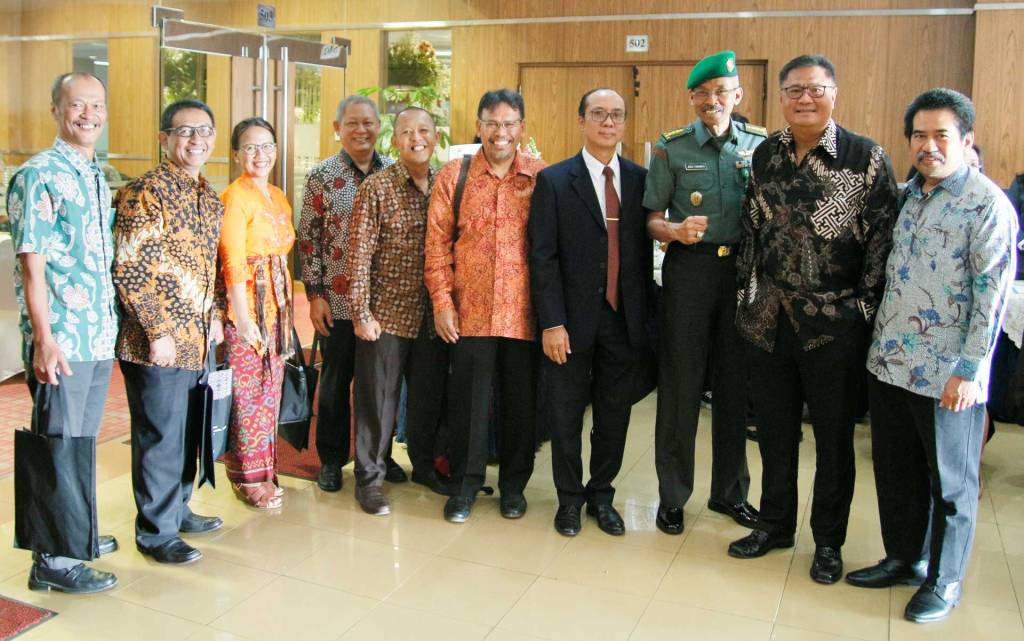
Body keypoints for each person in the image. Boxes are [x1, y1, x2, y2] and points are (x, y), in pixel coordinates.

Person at [848, 89, 1017, 623]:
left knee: (951, 486)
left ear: (966, 140)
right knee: (896, 472)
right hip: (891, 363)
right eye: (919, 136)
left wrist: (969, 371)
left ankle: (945, 581)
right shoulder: (907, 196)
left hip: (947, 375)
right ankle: (904, 558)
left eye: (941, 135)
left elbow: (991, 297)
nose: (929, 146)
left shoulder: (987, 204)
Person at [729, 55, 899, 585]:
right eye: (795, 89)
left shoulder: (866, 158)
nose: (805, 98)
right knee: (774, 433)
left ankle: (828, 541)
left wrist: (861, 311)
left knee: (833, 440)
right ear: (781, 96)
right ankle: (775, 524)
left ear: (834, 93)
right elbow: (752, 229)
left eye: (816, 89)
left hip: (834, 326)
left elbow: (883, 243)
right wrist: (746, 298)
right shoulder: (765, 154)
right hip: (770, 320)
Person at [643, 50, 766, 535]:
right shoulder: (671, 148)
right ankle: (673, 495)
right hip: (689, 273)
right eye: (702, 93)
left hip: (740, 273)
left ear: (737, 95)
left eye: (721, 92)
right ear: (692, 98)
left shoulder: (760, 146)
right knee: (681, 386)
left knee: (735, 387)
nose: (711, 100)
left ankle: (730, 492)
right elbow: (651, 219)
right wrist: (674, 231)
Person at [8, 72, 119, 593]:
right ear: (56, 109)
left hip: (98, 333)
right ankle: (51, 561)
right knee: (57, 442)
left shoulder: (95, 173)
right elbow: (32, 266)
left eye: (96, 105)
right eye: (78, 105)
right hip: (63, 339)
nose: (88, 115)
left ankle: (76, 531)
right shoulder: (39, 174)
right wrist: (44, 339)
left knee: (80, 441)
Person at [528, 88, 651, 537]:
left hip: (623, 320)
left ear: (624, 123)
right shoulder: (555, 180)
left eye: (616, 115)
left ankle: (601, 495)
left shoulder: (639, 180)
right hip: (570, 322)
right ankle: (569, 500)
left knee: (614, 416)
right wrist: (551, 322)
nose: (608, 122)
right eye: (598, 114)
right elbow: (542, 257)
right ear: (582, 120)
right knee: (565, 417)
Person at [112, 99, 225, 565]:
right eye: (185, 131)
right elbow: (130, 266)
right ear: (164, 139)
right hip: (155, 342)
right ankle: (156, 532)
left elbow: (210, 266)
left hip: (197, 337)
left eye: (205, 131)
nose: (196, 140)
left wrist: (215, 314)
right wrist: (157, 330)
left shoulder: (208, 196)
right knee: (159, 436)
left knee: (186, 430)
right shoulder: (145, 193)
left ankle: (178, 509)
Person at [425, 89, 546, 523]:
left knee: (521, 407)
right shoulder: (453, 176)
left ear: (522, 128)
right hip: (468, 312)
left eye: (509, 123)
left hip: (524, 314)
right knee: (468, 406)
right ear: (478, 126)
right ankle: (464, 487)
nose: (500, 132)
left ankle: (514, 488)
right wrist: (442, 302)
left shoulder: (539, 177)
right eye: (492, 123)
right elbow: (437, 245)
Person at [346, 107, 451, 515]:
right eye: (407, 132)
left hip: (432, 316)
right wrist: (361, 313)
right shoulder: (377, 187)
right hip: (386, 315)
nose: (416, 138)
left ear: (436, 137)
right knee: (379, 403)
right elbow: (358, 255)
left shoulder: (446, 183)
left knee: (427, 398)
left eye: (424, 131)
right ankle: (369, 480)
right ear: (394, 140)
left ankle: (424, 466)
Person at [297, 95, 398, 492]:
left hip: (384, 302)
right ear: (337, 128)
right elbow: (309, 240)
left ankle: (380, 455)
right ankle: (332, 460)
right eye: (352, 123)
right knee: (336, 383)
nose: (361, 130)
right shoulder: (321, 176)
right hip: (337, 302)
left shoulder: (394, 171)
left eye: (368, 122)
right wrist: (315, 294)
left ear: (379, 126)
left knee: (381, 386)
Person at [218, 117, 295, 509]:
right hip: (246, 309)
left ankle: (266, 472)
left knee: (269, 393)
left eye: (267, 146)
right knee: (246, 397)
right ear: (236, 154)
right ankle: (246, 478)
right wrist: (243, 318)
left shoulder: (278, 195)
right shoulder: (235, 197)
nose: (260, 155)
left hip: (277, 309)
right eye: (250, 147)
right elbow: (232, 260)